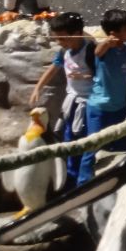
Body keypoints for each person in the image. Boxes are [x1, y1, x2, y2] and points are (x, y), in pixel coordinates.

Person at [78, 9, 126, 184]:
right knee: (93, 146)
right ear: (113, 33)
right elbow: (97, 52)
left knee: (122, 145)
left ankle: (118, 180)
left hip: (119, 108)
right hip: (99, 108)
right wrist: (107, 42)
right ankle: (83, 183)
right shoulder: (104, 50)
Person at [31, 12, 94, 186]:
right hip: (71, 102)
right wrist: (38, 87)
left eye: (63, 38)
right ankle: (70, 178)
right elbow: (54, 67)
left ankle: (82, 181)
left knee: (83, 139)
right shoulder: (65, 51)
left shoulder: (91, 50)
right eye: (57, 38)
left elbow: (102, 75)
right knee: (68, 139)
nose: (60, 42)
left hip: (87, 103)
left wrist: (85, 76)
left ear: (78, 33)